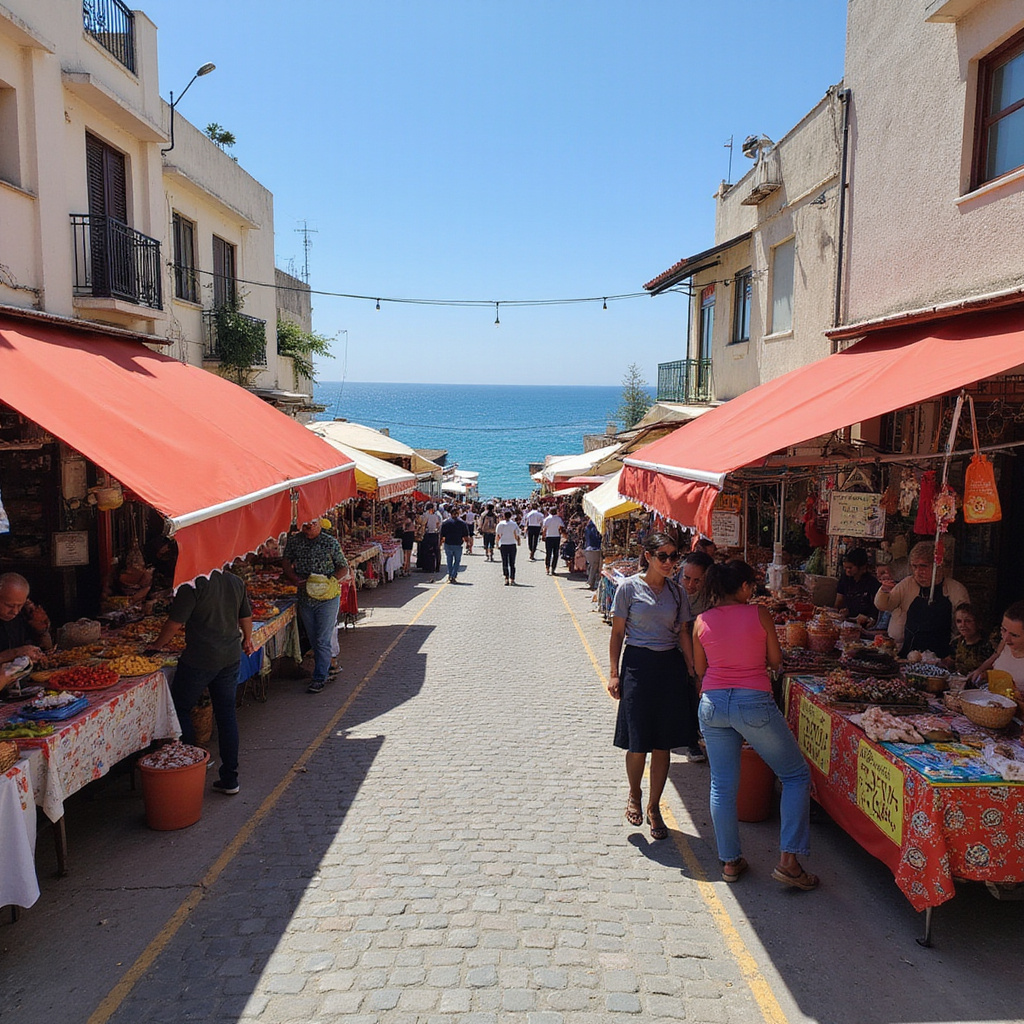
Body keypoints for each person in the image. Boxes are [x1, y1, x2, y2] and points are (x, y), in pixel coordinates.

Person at [692, 559, 817, 889]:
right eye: (751, 585)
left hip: (713, 704)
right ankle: (789, 862)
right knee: (795, 775)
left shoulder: (701, 621)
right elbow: (776, 661)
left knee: (722, 785)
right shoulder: (758, 614)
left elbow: (700, 669)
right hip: (753, 702)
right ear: (744, 587)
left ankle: (730, 862)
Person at [607, 533, 697, 842]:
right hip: (637, 666)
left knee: (663, 743)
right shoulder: (628, 588)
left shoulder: (677, 592)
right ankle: (634, 793)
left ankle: (654, 806)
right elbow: (618, 633)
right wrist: (613, 673)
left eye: (674, 556)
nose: (671, 562)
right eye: (664, 556)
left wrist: (691, 668)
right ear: (647, 556)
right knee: (637, 740)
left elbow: (684, 632)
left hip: (668, 667)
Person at [146, 570, 254, 795]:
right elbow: (245, 617)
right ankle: (230, 778)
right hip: (230, 656)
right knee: (226, 715)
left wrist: (157, 645)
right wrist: (248, 640)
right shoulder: (235, 580)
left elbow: (175, 623)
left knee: (180, 708)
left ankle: (193, 765)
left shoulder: (193, 585)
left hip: (200, 659)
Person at [283, 518, 351, 694]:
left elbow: (343, 567)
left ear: (319, 524)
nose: (309, 528)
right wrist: (293, 578)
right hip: (305, 597)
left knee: (322, 638)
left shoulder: (330, 542)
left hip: (327, 598)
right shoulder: (295, 542)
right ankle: (327, 665)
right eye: (305, 525)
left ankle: (319, 677)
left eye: (312, 524)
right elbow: (286, 561)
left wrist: (328, 581)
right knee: (314, 638)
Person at [873, 541, 968, 658]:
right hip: (906, 651)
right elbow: (885, 605)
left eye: (923, 566)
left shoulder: (955, 589)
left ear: (937, 566)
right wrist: (884, 591)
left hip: (941, 655)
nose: (918, 572)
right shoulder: (907, 584)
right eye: (914, 566)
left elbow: (964, 626)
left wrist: (953, 656)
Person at [968, 602, 1024, 705]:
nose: (1006, 638)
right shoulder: (1005, 642)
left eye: (1014, 635)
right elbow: (996, 655)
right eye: (1003, 630)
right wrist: (981, 670)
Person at [0, 572, 52, 666]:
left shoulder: (23, 614)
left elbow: (47, 647)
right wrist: (16, 653)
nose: (15, 611)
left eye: (20, 605)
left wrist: (41, 630)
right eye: (9, 605)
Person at [834, 547, 880, 623]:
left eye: (850, 567)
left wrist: (869, 619)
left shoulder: (873, 583)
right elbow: (839, 601)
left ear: (862, 567)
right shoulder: (844, 579)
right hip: (846, 621)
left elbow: (876, 610)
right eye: (845, 568)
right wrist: (838, 612)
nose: (847, 570)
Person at [950, 603, 995, 677]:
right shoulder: (956, 643)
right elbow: (951, 661)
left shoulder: (989, 644)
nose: (962, 625)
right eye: (959, 621)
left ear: (978, 622)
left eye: (968, 621)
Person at [679, 551, 713, 616]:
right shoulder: (671, 596)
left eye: (697, 581)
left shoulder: (714, 603)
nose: (690, 585)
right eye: (687, 578)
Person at [440, 510, 469, 583]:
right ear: (458, 514)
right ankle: (453, 575)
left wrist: (440, 543)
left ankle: (450, 574)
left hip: (448, 544)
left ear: (450, 514)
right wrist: (467, 543)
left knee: (449, 560)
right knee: (457, 561)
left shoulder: (445, 523)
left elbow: (442, 535)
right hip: (458, 544)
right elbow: (465, 535)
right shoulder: (462, 523)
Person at [495, 509, 521, 585]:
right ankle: (512, 578)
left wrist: (496, 544)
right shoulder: (514, 524)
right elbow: (517, 534)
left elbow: (498, 535)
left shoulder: (500, 524)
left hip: (503, 544)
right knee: (512, 563)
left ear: (503, 516)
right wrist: (518, 541)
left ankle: (506, 577)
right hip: (512, 544)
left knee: (505, 561)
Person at [419, 503, 442, 573]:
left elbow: (423, 524)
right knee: (436, 551)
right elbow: (438, 524)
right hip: (434, 534)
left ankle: (428, 567)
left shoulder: (426, 515)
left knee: (428, 551)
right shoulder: (436, 515)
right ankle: (436, 567)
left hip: (429, 534)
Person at [542, 507, 564, 575]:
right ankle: (553, 569)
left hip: (549, 537)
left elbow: (544, 529)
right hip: (556, 537)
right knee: (555, 554)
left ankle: (547, 568)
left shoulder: (547, 519)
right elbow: (561, 527)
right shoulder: (559, 519)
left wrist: (543, 536)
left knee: (548, 553)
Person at [583, 517, 603, 591]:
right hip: (594, 549)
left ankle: (591, 582)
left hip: (589, 549)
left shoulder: (588, 528)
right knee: (594, 566)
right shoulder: (594, 529)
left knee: (593, 566)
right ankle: (591, 582)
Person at [400, 510, 416, 577]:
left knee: (404, 554)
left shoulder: (407, 520)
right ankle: (408, 569)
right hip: (411, 536)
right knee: (408, 554)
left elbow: (403, 528)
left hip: (406, 536)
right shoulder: (413, 521)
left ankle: (405, 569)